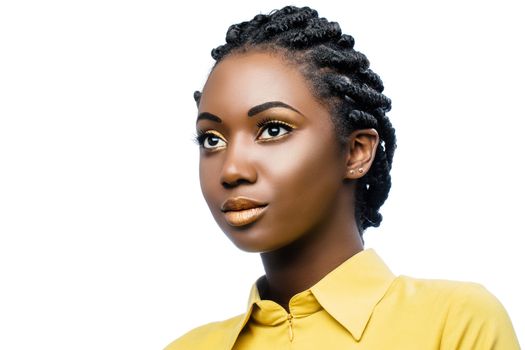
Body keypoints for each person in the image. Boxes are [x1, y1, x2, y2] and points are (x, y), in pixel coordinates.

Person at [165, 5, 520, 349]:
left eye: (273, 130)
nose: (231, 170)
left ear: (356, 152)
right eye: (212, 139)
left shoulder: (455, 323)